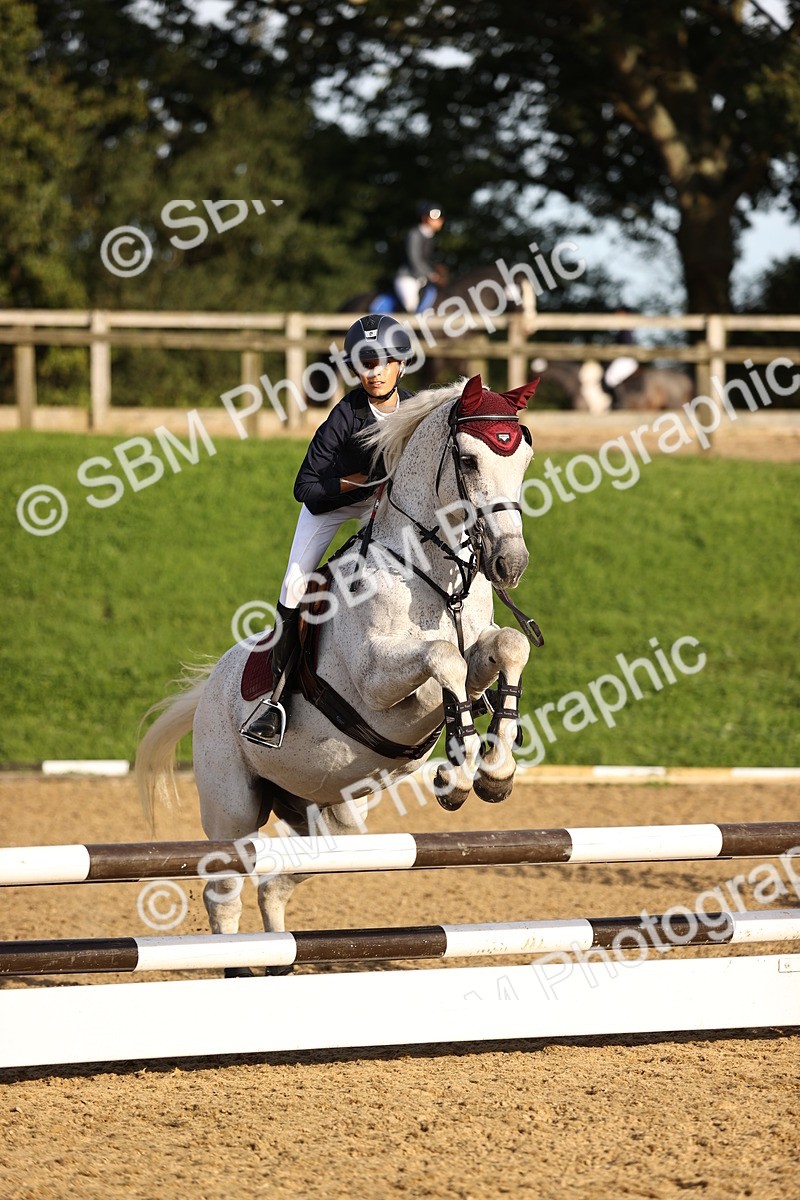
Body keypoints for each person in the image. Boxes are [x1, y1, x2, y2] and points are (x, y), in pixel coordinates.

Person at [241, 313, 415, 748]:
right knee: (294, 587)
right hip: (331, 505)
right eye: (363, 363)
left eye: (380, 362)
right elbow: (305, 488)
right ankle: (274, 702)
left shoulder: (414, 409)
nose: (372, 372)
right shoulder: (346, 414)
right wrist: (361, 482)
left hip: (382, 505)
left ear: (401, 364)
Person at [394, 200, 446, 313]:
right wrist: (431, 274)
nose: (439, 221)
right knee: (411, 304)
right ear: (424, 218)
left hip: (422, 279)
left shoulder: (430, 237)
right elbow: (414, 259)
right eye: (435, 218)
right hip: (408, 277)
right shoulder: (414, 234)